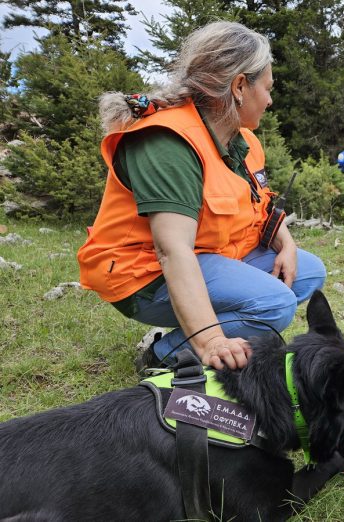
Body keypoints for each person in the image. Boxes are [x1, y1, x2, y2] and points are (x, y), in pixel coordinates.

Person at [77, 22, 326, 372]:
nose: (270, 100)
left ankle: (209, 320)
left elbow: (262, 200)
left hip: (208, 257)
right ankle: (168, 352)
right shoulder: (168, 143)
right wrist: (210, 341)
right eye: (267, 89)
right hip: (142, 274)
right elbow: (171, 250)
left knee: (308, 271)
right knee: (275, 305)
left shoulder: (243, 140)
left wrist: (285, 242)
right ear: (240, 86)